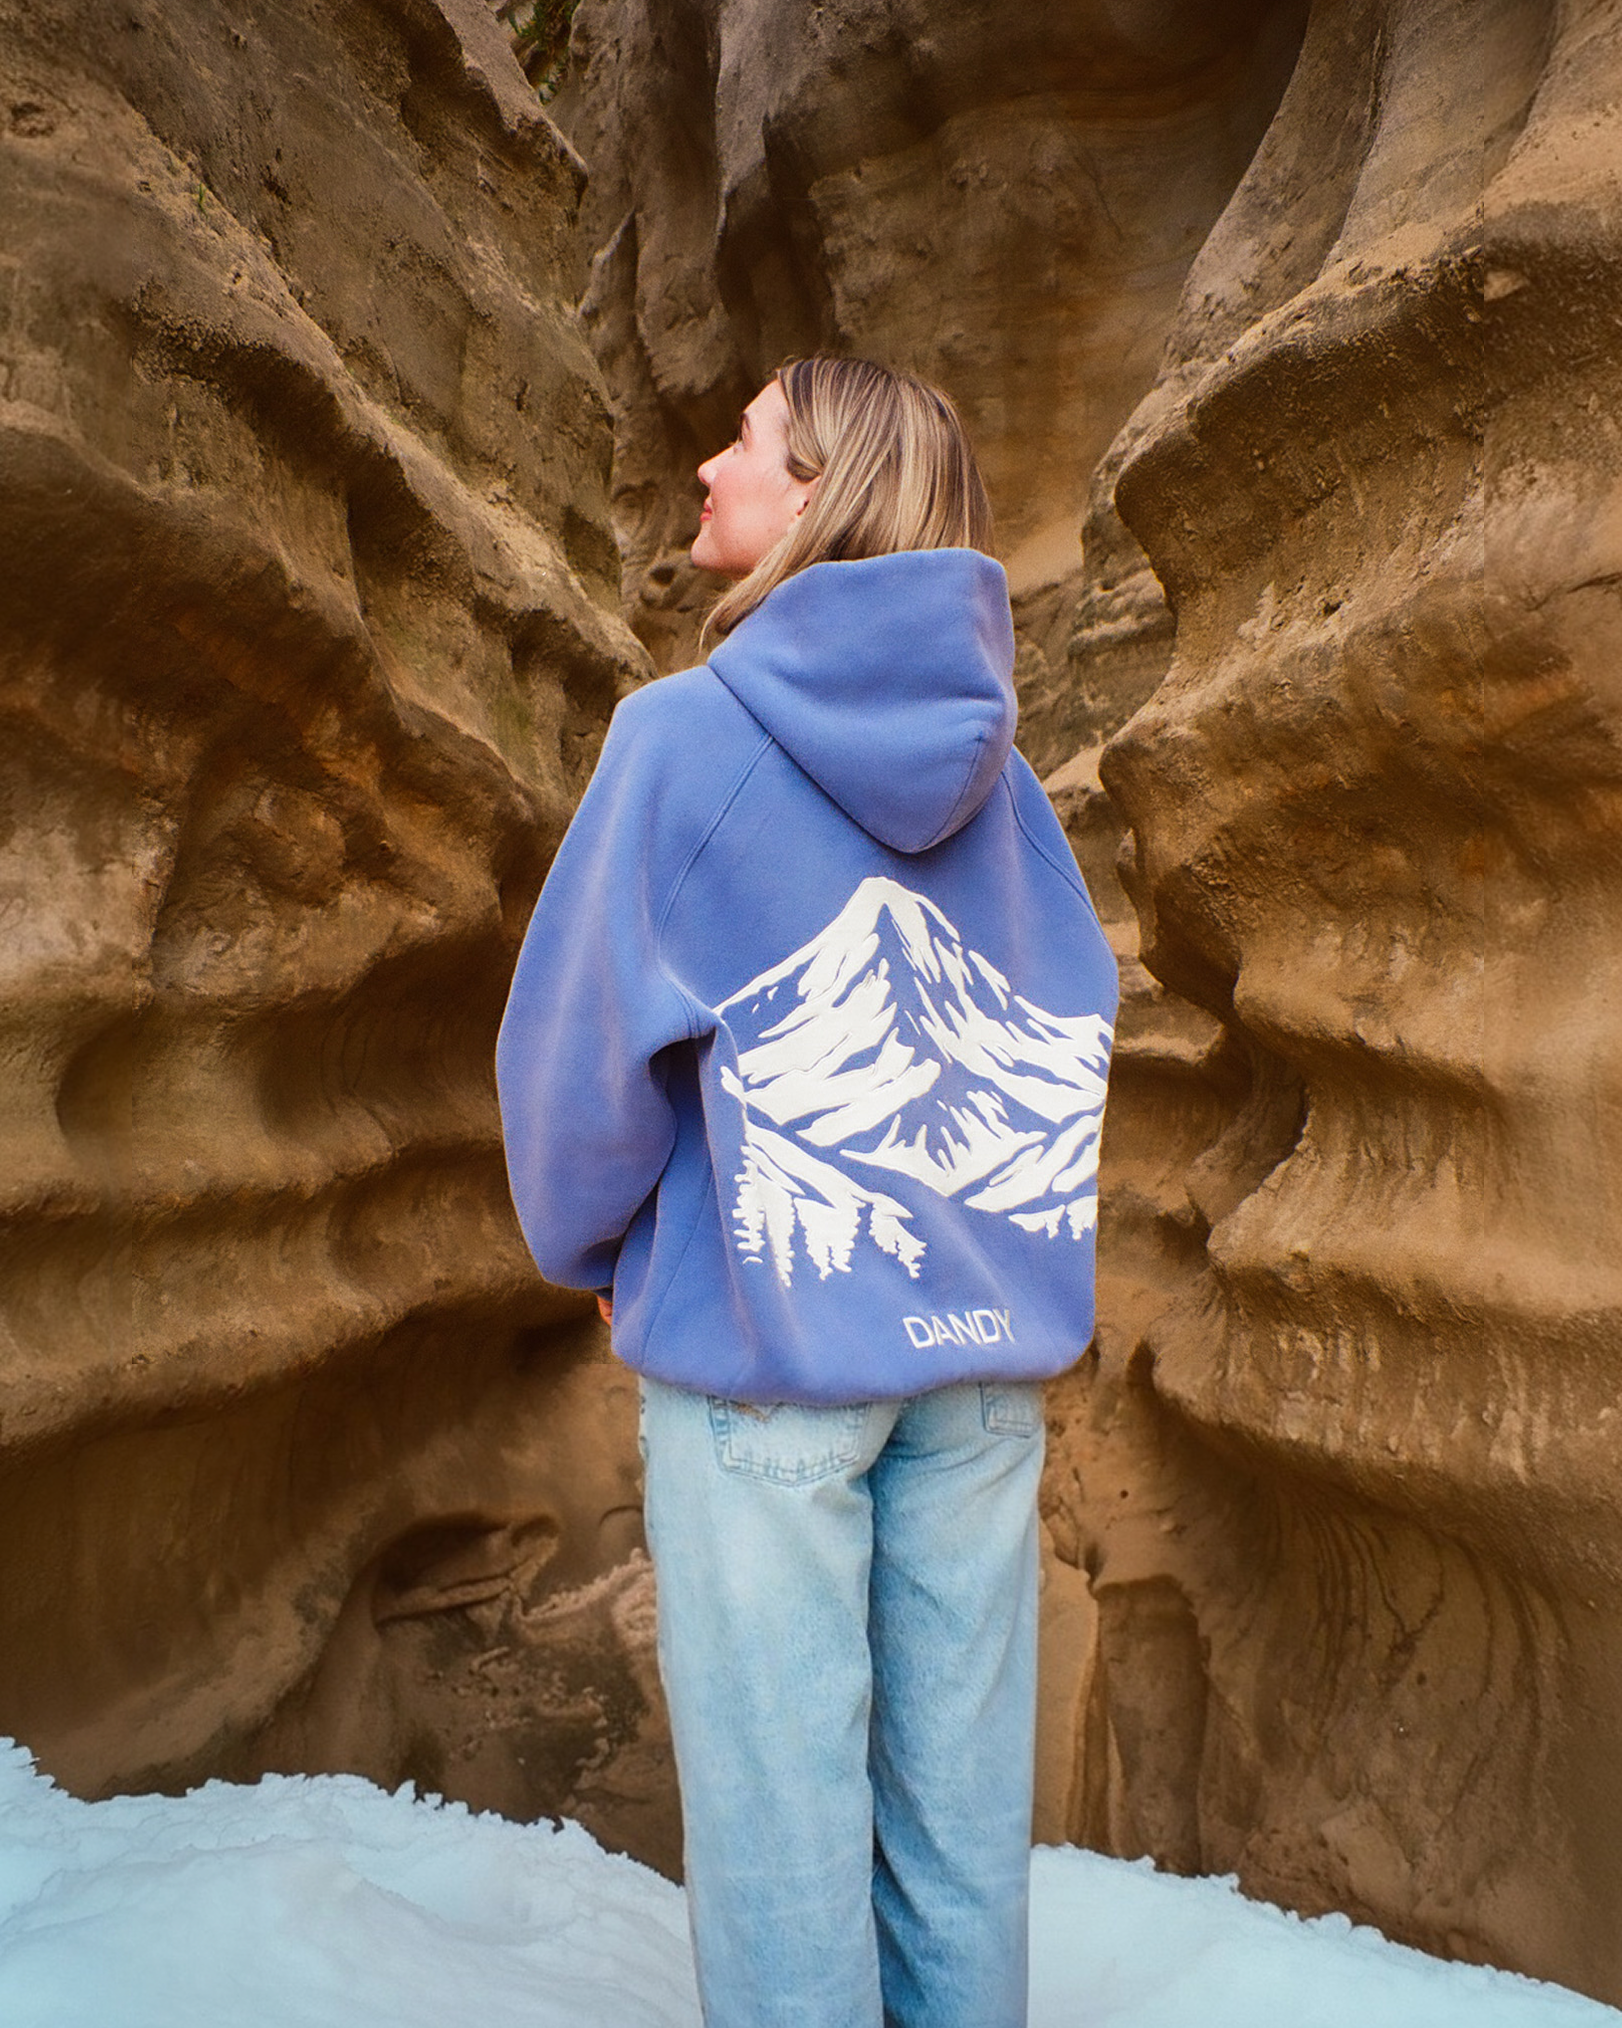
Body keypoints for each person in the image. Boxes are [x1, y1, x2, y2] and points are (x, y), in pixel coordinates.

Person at [496, 356, 1117, 2028]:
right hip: (978, 1366)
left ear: (820, 489)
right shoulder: (1009, 785)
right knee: (961, 1827)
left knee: (781, 1834)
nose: (707, 462)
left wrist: (599, 1246)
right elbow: (1064, 1022)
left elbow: (575, 1058)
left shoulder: (681, 738)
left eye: (748, 438)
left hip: (768, 1361)